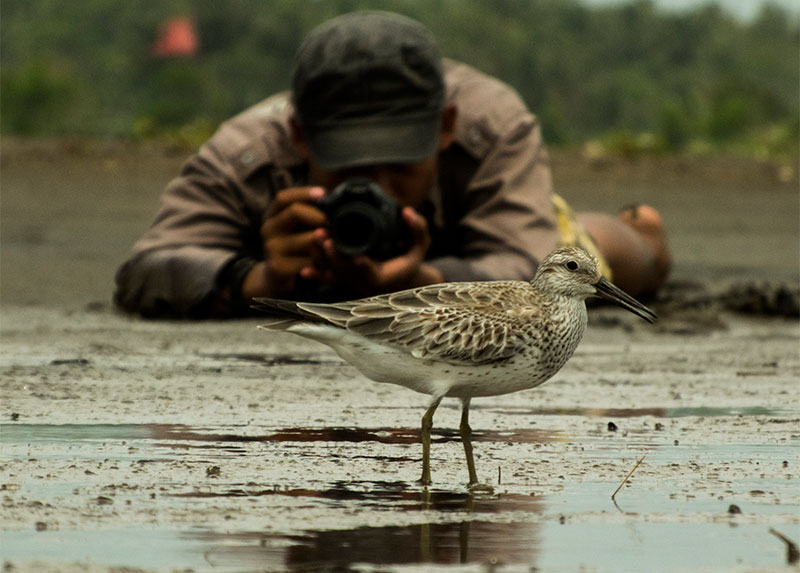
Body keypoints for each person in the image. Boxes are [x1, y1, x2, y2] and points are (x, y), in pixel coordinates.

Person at [115, 10, 670, 319]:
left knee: (599, 255)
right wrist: (258, 277)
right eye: (350, 168)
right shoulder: (247, 151)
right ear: (299, 137)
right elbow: (146, 267)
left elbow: (523, 262)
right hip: (308, 265)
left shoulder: (493, 124)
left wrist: (421, 281)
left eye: (401, 163)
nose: (379, 187)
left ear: (446, 127)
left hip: (463, 249)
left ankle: (644, 229)